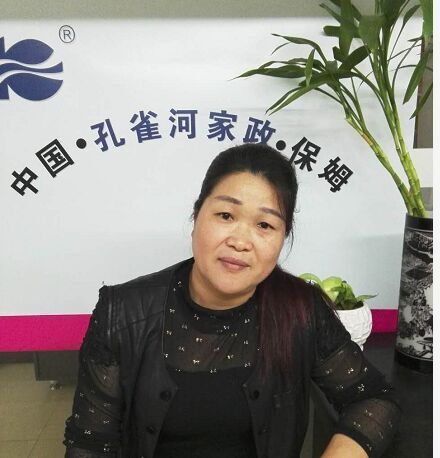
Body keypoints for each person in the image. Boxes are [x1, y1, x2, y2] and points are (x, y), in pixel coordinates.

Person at [64, 143, 400, 458]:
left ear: (283, 238)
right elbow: (89, 445)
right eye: (226, 215)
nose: (240, 241)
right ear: (196, 217)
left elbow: (374, 400)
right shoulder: (122, 313)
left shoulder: (300, 309)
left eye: (264, 224)